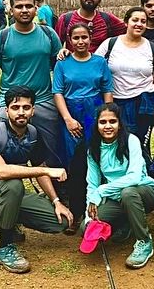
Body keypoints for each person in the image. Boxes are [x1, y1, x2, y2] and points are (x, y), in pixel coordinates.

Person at [0, 86, 73, 274]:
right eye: (15, 107)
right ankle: (5, 247)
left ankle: (7, 219)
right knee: (13, 185)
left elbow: (40, 167)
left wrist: (56, 201)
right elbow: (1, 172)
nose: (21, 112)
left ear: (33, 110)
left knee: (60, 222)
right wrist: (46, 170)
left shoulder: (32, 133)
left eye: (26, 107)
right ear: (6, 109)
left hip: (9, 194)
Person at [0, 0, 63, 168]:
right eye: (19, 6)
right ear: (11, 10)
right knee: (6, 153)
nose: (24, 10)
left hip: (44, 103)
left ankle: (56, 193)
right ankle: (10, 193)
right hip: (9, 105)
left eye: (29, 6)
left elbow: (58, 69)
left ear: (36, 8)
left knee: (51, 152)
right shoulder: (0, 38)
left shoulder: (49, 35)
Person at [53, 22, 113, 231]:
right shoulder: (62, 63)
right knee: (75, 163)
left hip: (94, 114)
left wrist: (106, 116)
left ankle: (103, 209)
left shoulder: (99, 62)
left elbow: (107, 90)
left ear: (90, 38)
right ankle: (76, 211)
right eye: (76, 38)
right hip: (71, 113)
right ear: (69, 39)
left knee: (97, 157)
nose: (80, 42)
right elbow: (58, 93)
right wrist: (68, 119)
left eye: (84, 37)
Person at [85, 103, 154, 269]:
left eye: (113, 121)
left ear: (120, 124)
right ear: (96, 125)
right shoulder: (93, 149)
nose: (108, 126)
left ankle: (144, 241)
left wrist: (102, 190)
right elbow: (92, 184)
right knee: (87, 227)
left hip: (143, 191)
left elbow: (134, 177)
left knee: (128, 193)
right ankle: (127, 223)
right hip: (116, 199)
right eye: (103, 122)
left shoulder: (131, 141)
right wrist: (89, 216)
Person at [96, 7, 154, 148]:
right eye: (135, 20)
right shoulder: (110, 44)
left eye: (143, 21)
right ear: (126, 22)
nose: (139, 24)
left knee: (140, 146)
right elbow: (92, 68)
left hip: (144, 104)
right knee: (117, 144)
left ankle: (143, 169)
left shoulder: (152, 48)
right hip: (116, 102)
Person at [55, 0, 126, 53]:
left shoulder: (108, 19)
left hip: (99, 63)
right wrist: (62, 51)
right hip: (73, 63)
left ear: (99, 0)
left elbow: (128, 30)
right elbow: (56, 46)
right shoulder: (65, 19)